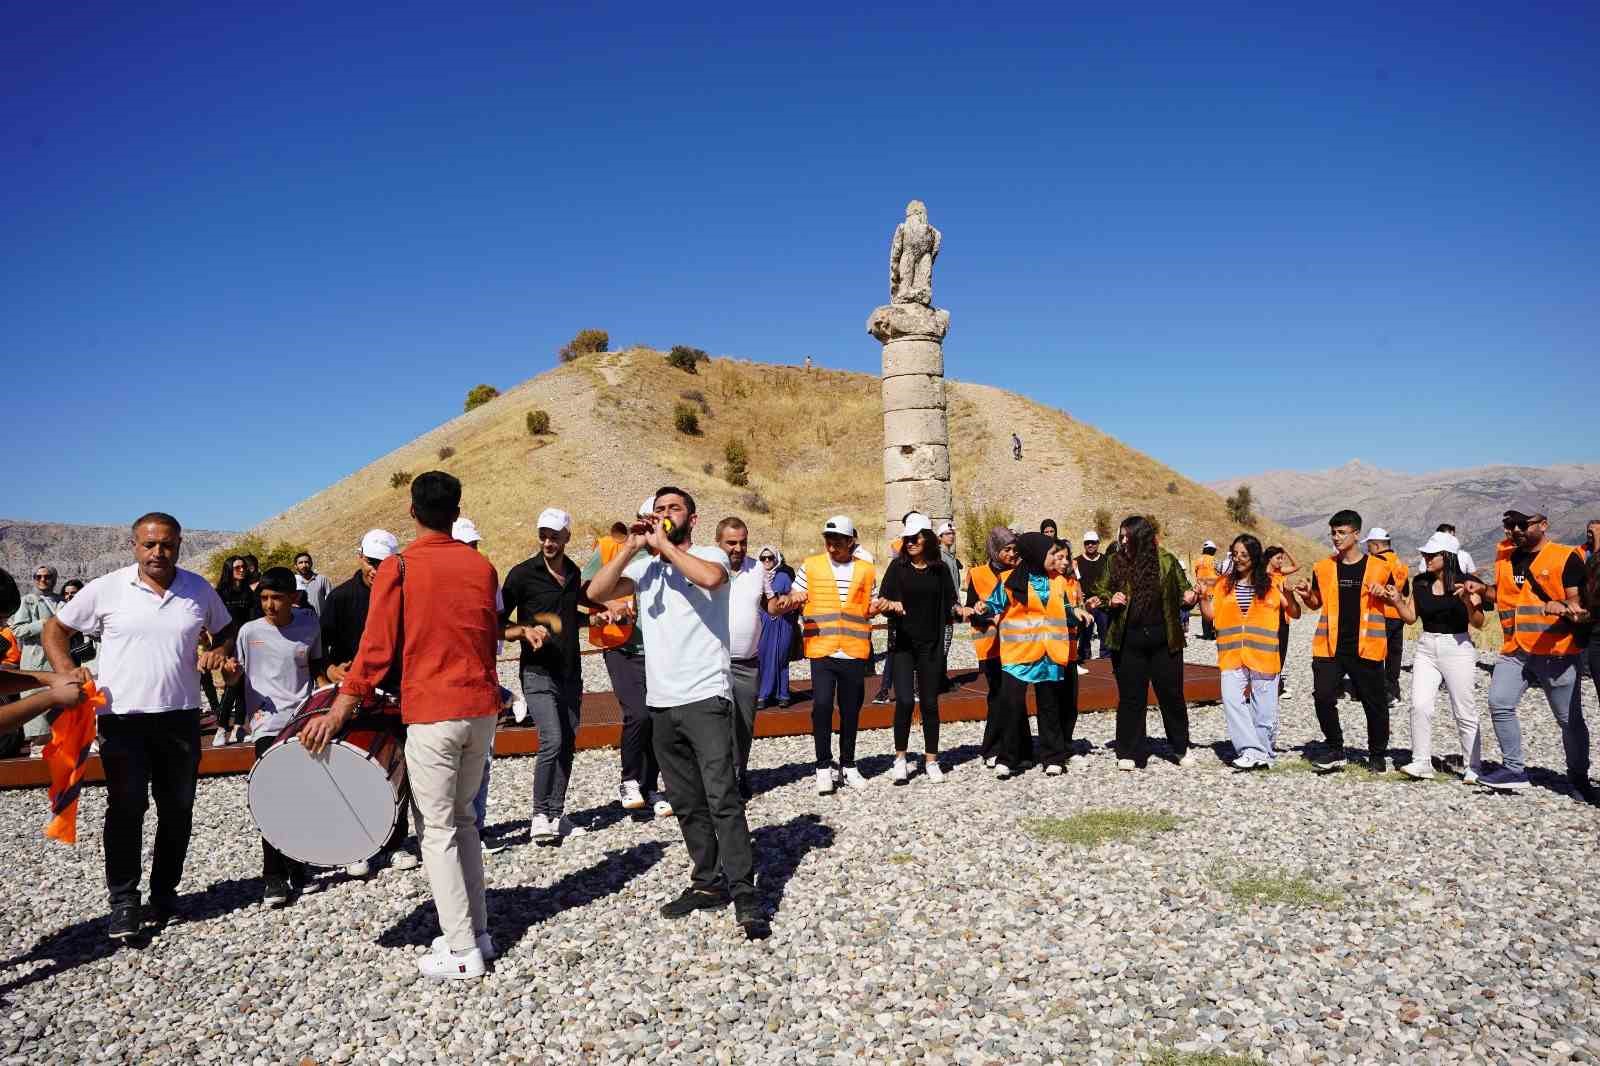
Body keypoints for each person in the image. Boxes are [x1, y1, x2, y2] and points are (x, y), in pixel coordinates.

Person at [300, 471, 503, 980]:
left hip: (433, 711)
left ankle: (461, 951)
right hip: (481, 709)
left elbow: (374, 650)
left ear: (412, 513)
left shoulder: (401, 566)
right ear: (457, 513)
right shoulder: (482, 566)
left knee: (436, 830)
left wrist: (339, 709)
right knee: (464, 822)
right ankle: (477, 932)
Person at [586, 486, 769, 939]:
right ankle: (707, 882)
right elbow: (596, 591)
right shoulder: (645, 569)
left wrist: (665, 546)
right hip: (662, 700)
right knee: (685, 800)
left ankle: (744, 889)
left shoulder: (710, 554)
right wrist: (631, 546)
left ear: (691, 516)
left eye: (673, 509)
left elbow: (711, 580)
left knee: (722, 795)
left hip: (706, 694)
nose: (664, 515)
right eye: (659, 510)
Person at [44, 512, 237, 941]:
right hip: (122, 720)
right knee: (127, 809)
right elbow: (55, 629)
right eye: (149, 544)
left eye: (166, 544)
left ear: (179, 545)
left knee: (178, 809)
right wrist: (65, 674)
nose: (158, 552)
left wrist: (218, 650)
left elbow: (226, 631)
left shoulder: (198, 589)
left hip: (182, 718)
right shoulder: (108, 588)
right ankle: (124, 902)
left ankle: (165, 893)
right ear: (134, 546)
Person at [319, 529, 420, 876]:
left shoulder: (407, 595)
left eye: (385, 563)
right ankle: (356, 844)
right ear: (360, 556)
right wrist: (331, 669)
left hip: (398, 694)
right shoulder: (341, 599)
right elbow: (321, 651)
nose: (377, 569)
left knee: (399, 769)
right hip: (354, 697)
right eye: (372, 562)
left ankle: (395, 843)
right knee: (353, 771)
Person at [1477, 503, 1592, 797]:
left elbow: (1581, 607)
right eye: (1512, 524)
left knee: (1568, 719)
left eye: (1523, 524)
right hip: (1515, 649)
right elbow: (1504, 597)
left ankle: (1578, 777)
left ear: (1543, 525)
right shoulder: (1506, 557)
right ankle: (1514, 769)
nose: (1516, 529)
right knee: (1499, 702)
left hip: (1556, 651)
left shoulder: (1565, 557)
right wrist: (1479, 590)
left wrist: (1563, 608)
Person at [224, 566, 322, 907]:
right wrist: (231, 676)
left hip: (302, 719)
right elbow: (234, 680)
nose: (269, 604)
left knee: (301, 793)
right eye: (263, 598)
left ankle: (297, 863)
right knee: (272, 794)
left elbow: (318, 669)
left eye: (276, 598)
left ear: (293, 598)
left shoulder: (309, 626)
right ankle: (274, 876)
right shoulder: (248, 632)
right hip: (266, 725)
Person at [768, 515, 886, 794]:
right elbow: (798, 593)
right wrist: (792, 599)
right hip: (822, 648)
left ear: (850, 541)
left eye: (837, 542)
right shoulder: (811, 566)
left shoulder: (867, 569)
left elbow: (869, 605)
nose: (831, 547)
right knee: (821, 707)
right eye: (828, 541)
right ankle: (823, 766)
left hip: (855, 650)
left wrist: (879, 606)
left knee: (850, 710)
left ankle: (848, 764)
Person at [1288, 509, 1400, 774]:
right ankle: (1335, 748)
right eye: (1333, 533)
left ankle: (1377, 754)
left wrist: (1385, 593)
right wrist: (1306, 595)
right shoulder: (1323, 567)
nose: (1336, 538)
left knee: (1375, 702)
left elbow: (1395, 599)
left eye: (1342, 532)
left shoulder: (1381, 568)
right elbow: (1316, 603)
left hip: (1366, 646)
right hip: (1329, 646)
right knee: (1323, 696)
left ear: (1357, 534)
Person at [501, 507, 589, 844]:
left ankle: (557, 813)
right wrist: (524, 631)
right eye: (543, 535)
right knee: (551, 738)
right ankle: (539, 815)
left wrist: (595, 619)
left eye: (554, 536)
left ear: (568, 536)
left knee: (568, 740)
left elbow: (568, 616)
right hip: (537, 672)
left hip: (571, 670)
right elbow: (498, 622)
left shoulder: (574, 573)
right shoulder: (522, 574)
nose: (548, 541)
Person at [1087, 516, 1199, 771]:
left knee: (1171, 696)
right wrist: (1109, 599)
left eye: (1128, 536)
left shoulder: (1167, 561)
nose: (1123, 540)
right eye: (1121, 535)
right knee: (1131, 697)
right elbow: (1099, 590)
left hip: (1164, 640)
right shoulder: (1114, 561)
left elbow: (1185, 591)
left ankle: (1180, 747)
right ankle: (1128, 750)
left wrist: (1191, 597)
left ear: (1142, 537)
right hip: (1128, 641)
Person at [973, 533, 1088, 777]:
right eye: (1050, 554)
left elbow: (1066, 610)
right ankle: (1010, 757)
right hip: (1018, 653)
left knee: (1050, 707)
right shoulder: (1008, 580)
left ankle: (1053, 757)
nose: (1054, 558)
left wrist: (1077, 613)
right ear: (1037, 555)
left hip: (1049, 651)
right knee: (1012, 705)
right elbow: (994, 605)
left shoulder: (1058, 581)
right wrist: (983, 608)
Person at [1374, 531, 1484, 781]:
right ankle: (1421, 761)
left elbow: (1479, 623)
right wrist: (1396, 601)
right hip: (1426, 646)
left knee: (1463, 709)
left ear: (1447, 556)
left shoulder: (1465, 582)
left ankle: (1473, 766)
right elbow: (1411, 616)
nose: (1426, 557)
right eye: (1425, 553)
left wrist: (1468, 600)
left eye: (1432, 554)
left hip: (1457, 647)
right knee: (1419, 705)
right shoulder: (1420, 582)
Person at [583, 516, 670, 818]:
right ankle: (630, 780)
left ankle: (651, 786)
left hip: (659, 650)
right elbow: (585, 588)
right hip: (623, 647)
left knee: (658, 717)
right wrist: (610, 605)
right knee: (639, 713)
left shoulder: (671, 552)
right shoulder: (611, 547)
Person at [1200, 535, 1298, 771]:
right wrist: (1203, 597)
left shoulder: (1272, 583)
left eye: (1244, 554)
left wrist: (1292, 594)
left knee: (1264, 709)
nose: (1238, 559)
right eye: (1235, 554)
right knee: (1233, 702)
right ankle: (1250, 750)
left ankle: (1263, 751)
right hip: (1232, 655)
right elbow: (1210, 615)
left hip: (1263, 656)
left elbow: (1294, 612)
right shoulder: (1224, 584)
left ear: (1254, 557)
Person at [877, 514, 959, 783]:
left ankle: (931, 759)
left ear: (928, 539)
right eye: (907, 539)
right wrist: (890, 605)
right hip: (902, 643)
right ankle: (900, 758)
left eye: (915, 538)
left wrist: (965, 610)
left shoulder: (940, 569)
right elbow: (882, 600)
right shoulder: (897, 568)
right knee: (902, 700)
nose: (910, 542)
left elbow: (951, 604)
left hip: (931, 644)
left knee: (930, 702)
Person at [717, 517, 766, 800]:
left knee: (743, 725)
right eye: (731, 543)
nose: (738, 548)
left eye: (743, 542)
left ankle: (740, 772)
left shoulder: (758, 568)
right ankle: (722, 781)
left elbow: (769, 603)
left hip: (748, 663)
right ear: (719, 542)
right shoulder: (709, 567)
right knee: (716, 725)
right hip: (714, 662)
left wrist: (786, 603)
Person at [965, 526, 1018, 767]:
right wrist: (985, 615)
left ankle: (1011, 746)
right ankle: (992, 748)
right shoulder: (977, 574)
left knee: (1011, 697)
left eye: (1014, 549)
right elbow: (970, 611)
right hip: (989, 645)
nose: (1011, 554)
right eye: (1006, 550)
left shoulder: (1017, 573)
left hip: (1016, 645)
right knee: (997, 697)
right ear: (995, 550)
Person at [8, 564, 61, 751]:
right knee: (36, 705)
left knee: (60, 704)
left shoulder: (61, 602)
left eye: (47, 577)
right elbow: (17, 629)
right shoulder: (27, 601)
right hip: (36, 660)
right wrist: (42, 624)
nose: (42, 580)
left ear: (54, 579)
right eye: (38, 576)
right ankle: (37, 748)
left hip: (59, 661)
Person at [212, 555, 259, 745]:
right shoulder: (220, 593)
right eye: (237, 567)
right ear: (229, 570)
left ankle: (238, 728)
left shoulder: (249, 592)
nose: (242, 570)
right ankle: (222, 728)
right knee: (232, 685)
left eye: (243, 567)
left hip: (247, 643)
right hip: (228, 644)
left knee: (242, 687)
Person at [1364, 528, 1411, 703]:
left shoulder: (1376, 562)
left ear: (1376, 545)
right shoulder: (1401, 564)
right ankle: (1394, 690)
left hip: (1380, 614)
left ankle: (1381, 693)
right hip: (1398, 614)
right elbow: (1405, 591)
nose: (1368, 550)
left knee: (1376, 654)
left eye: (1369, 546)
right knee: (1394, 654)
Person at [755, 547, 797, 709]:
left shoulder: (784, 576)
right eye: (763, 558)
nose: (766, 561)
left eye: (770, 558)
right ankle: (763, 694)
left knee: (781, 657)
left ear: (776, 559)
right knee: (763, 657)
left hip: (783, 622)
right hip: (763, 621)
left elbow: (793, 597)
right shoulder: (755, 577)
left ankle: (783, 694)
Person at [1263, 546, 1301, 700]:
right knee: (1273, 652)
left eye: (1282, 558)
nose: (1281, 561)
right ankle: (1274, 687)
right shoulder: (1264, 576)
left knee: (1282, 651)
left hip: (1283, 616)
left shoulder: (1279, 572)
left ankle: (1277, 685)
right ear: (1269, 558)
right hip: (1271, 616)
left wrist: (1286, 549)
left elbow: (1297, 565)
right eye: (1278, 558)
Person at [936, 521, 963, 692]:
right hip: (944, 606)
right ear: (940, 537)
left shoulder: (951, 556)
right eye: (947, 534)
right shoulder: (940, 556)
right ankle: (938, 679)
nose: (951, 536)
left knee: (946, 643)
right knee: (942, 644)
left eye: (952, 533)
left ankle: (941, 677)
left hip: (952, 605)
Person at [1075, 531, 1109, 659]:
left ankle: (1105, 661)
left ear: (1098, 543)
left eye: (1093, 542)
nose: (1090, 545)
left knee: (1105, 634)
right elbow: (1074, 582)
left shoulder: (1106, 561)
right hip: (1086, 605)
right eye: (1087, 543)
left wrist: (1103, 597)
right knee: (1085, 635)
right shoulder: (1077, 561)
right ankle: (1085, 658)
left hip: (1102, 603)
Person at [292, 552, 334, 616]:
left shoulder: (322, 579)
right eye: (300, 563)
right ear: (296, 566)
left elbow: (331, 601)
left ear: (311, 563)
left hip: (320, 622)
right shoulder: (292, 581)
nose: (304, 565)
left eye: (306, 562)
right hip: (300, 622)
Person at [1193, 542, 1219, 640]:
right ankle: (1214, 633)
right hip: (1213, 591)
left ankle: (1207, 634)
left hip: (1202, 591)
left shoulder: (1198, 561)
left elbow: (1196, 574)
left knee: (1204, 614)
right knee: (1214, 613)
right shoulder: (1214, 560)